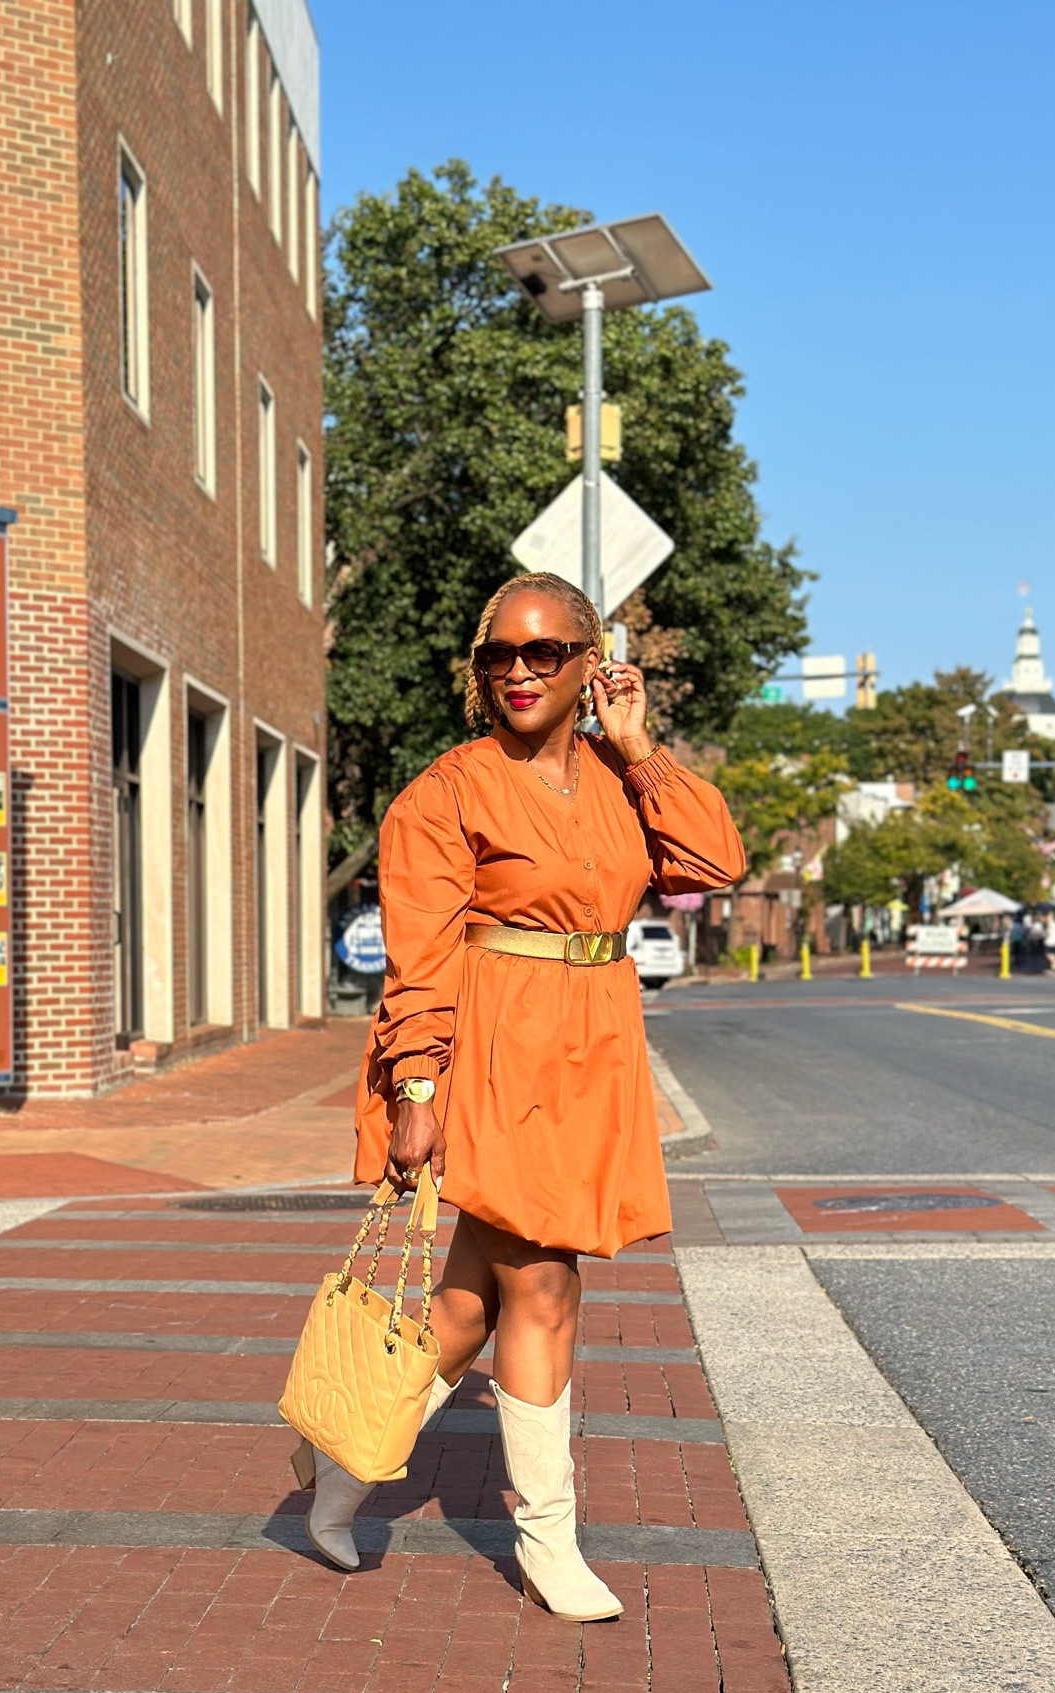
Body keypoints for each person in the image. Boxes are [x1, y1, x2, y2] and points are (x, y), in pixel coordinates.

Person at [295, 571, 745, 1620]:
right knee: (543, 1284)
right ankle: (549, 1538)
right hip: (494, 1044)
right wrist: (416, 1084)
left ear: (595, 665)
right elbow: (419, 954)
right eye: (500, 653)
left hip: (592, 1042)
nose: (520, 671)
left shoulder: (617, 777)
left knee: (466, 1306)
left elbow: (713, 859)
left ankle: (342, 1467)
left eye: (546, 652)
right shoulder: (447, 790)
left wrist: (639, 748)